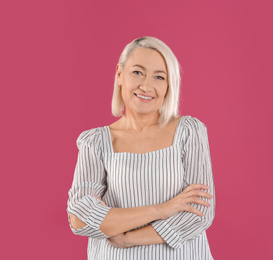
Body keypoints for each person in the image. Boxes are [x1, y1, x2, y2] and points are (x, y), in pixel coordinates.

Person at [66, 36, 216, 260]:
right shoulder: (95, 142)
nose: (147, 86)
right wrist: (162, 209)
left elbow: (199, 214)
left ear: (168, 85)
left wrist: (127, 237)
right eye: (137, 72)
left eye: (159, 77)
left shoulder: (189, 132)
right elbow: (80, 218)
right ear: (119, 74)